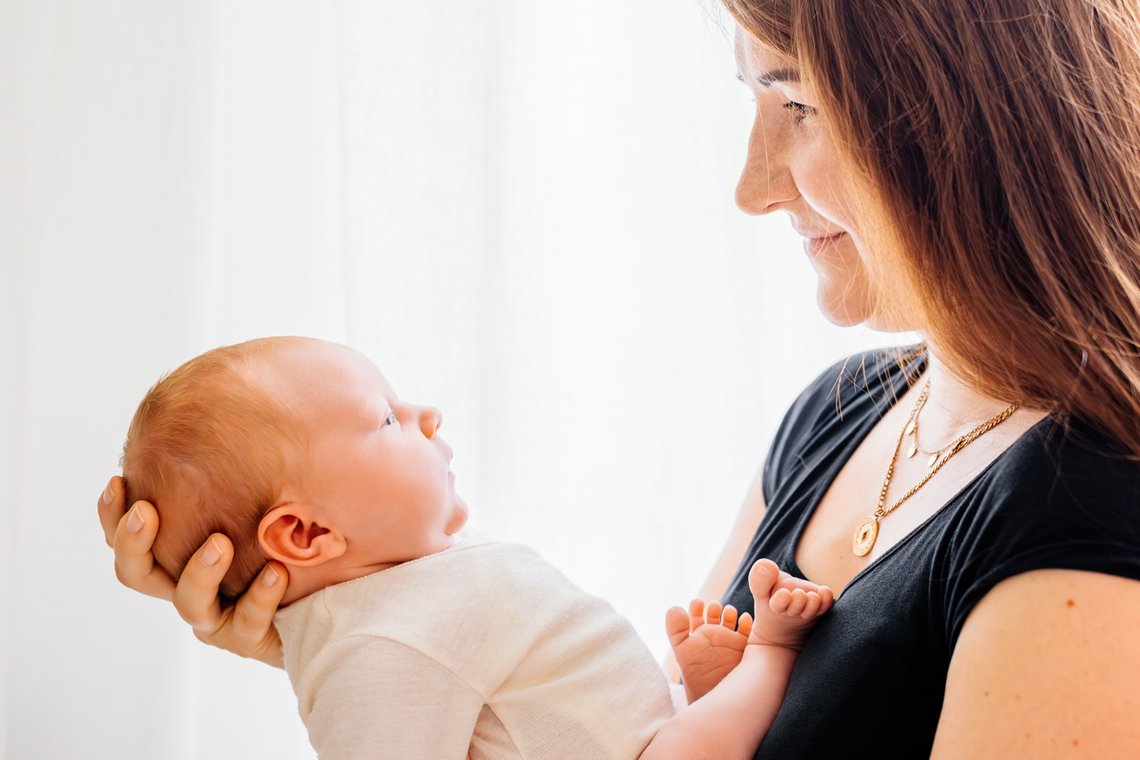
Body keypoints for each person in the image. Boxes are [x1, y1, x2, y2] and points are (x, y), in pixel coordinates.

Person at [101, 0, 1140, 756]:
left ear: (979, 118)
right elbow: (631, 732)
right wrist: (345, 630)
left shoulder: (1087, 506)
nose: (751, 186)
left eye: (800, 107)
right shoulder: (841, 414)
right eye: (754, 103)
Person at [117, 335, 834, 759]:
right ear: (306, 533)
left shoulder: (401, 589)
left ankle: (700, 696)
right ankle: (770, 659)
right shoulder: (372, 646)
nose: (425, 415)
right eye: (385, 420)